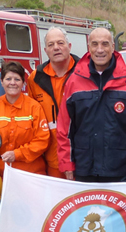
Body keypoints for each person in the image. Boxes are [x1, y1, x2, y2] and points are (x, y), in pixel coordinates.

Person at [56, 28, 126, 182]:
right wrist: (67, 164)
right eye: (95, 44)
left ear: (113, 47)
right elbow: (64, 128)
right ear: (88, 47)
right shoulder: (74, 80)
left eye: (105, 44)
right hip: (84, 169)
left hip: (120, 170)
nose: (100, 50)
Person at [28, 27, 80, 178]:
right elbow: (32, 118)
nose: (56, 48)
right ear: (45, 50)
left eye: (60, 43)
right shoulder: (35, 78)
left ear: (69, 46)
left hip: (82, 157)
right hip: (52, 160)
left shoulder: (85, 73)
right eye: (51, 45)